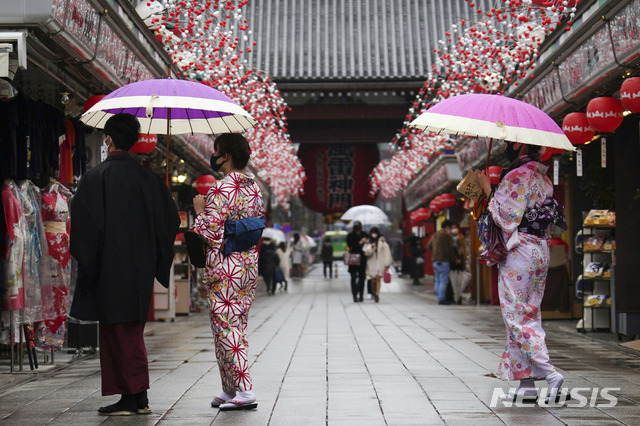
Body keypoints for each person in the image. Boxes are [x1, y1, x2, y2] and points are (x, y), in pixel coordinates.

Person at [69, 113, 180, 416]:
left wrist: (90, 262)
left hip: (109, 266)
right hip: (140, 266)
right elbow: (170, 220)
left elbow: (83, 224)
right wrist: (155, 255)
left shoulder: (96, 177)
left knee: (118, 330)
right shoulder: (149, 179)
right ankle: (133, 395)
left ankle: (135, 397)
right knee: (129, 328)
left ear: (109, 139)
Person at [477, 141, 567, 404]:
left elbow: (506, 214)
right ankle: (526, 384)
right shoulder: (541, 175)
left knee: (516, 314)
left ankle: (549, 373)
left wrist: (486, 188)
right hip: (539, 247)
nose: (506, 146)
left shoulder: (519, 173)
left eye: (508, 143)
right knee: (527, 311)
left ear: (519, 144)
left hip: (521, 249)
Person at [192, 133, 264, 411]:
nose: (215, 156)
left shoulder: (220, 189)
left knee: (225, 327)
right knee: (235, 324)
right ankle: (229, 387)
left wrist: (199, 211)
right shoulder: (253, 187)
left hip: (224, 265)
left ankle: (244, 390)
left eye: (218, 151)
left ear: (228, 155)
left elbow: (210, 232)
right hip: (246, 262)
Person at [426, 219, 457, 305]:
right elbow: (449, 249)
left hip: (435, 261)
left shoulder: (435, 234)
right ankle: (442, 299)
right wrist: (454, 259)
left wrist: (434, 253)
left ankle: (439, 296)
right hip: (444, 261)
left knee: (438, 280)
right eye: (450, 227)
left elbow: (429, 245)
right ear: (447, 227)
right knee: (443, 280)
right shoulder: (446, 236)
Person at [362, 227, 392, 303]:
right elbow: (366, 252)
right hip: (372, 262)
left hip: (380, 262)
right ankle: (374, 292)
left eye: (375, 232)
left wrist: (387, 263)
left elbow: (386, 252)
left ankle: (377, 294)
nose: (374, 234)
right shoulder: (368, 242)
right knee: (372, 279)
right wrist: (371, 247)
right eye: (372, 232)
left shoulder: (382, 241)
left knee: (378, 278)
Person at [346, 221, 368, 302]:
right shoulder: (350, 236)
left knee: (362, 277)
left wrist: (365, 242)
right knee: (353, 277)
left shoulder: (365, 235)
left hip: (362, 258)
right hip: (353, 258)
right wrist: (359, 242)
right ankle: (354, 294)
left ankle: (361, 295)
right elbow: (349, 245)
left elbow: (368, 245)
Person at [449, 223, 468, 304]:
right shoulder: (449, 237)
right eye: (453, 227)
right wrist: (454, 258)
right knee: (454, 282)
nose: (454, 229)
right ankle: (456, 297)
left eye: (455, 227)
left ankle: (458, 297)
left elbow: (464, 249)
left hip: (461, 262)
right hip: (452, 263)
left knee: (461, 281)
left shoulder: (461, 237)